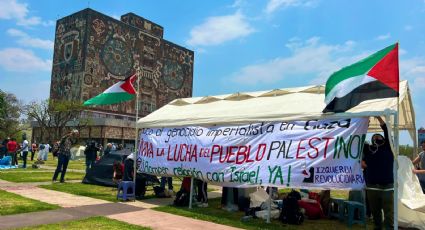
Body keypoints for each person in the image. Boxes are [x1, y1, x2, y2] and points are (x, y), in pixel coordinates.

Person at [362, 116, 394, 230]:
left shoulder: (389, 148)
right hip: (372, 186)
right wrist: (365, 124)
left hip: (388, 186)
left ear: (384, 140)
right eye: (374, 137)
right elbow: (358, 138)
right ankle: (377, 227)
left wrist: (379, 118)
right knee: (375, 212)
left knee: (389, 212)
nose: (376, 137)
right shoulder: (368, 149)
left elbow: (387, 131)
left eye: (379, 136)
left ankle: (389, 228)